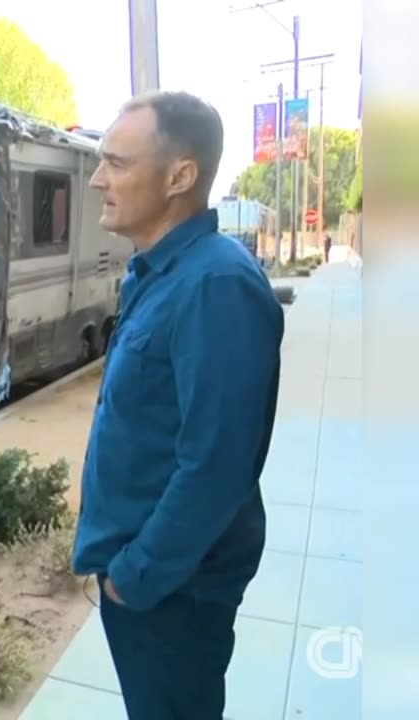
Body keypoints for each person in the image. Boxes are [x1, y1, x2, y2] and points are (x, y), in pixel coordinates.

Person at [73, 91, 285, 720]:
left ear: (180, 176)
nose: (96, 178)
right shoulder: (161, 274)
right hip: (150, 580)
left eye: (116, 162)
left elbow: (215, 465)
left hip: (173, 589)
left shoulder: (216, 285)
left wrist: (135, 576)